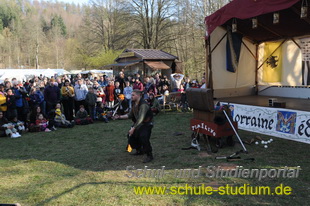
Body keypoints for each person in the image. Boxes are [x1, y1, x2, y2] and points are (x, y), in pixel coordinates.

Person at [113, 90, 154, 163]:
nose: (131, 97)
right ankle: (139, 150)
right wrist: (119, 117)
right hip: (139, 123)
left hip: (146, 124)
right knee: (131, 136)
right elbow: (130, 115)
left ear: (138, 96)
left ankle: (149, 155)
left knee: (143, 137)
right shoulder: (134, 103)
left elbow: (141, 118)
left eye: (133, 95)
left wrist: (133, 128)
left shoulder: (143, 105)